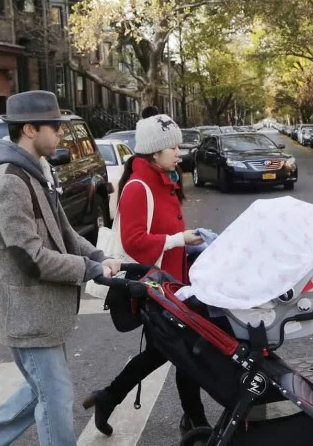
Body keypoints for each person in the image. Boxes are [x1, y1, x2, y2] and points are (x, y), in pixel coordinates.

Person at [0, 91, 122, 446]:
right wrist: (88, 269)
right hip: (25, 310)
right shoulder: (9, 183)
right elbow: (31, 259)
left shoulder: (35, 172)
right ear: (29, 129)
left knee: (41, 388)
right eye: (55, 125)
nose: (61, 132)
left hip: (40, 311)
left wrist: (97, 256)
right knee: (55, 396)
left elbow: (63, 231)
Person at [81, 113, 210, 437]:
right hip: (153, 287)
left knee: (164, 351)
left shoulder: (164, 179)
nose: (179, 152)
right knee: (183, 351)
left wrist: (189, 245)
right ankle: (195, 422)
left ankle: (108, 398)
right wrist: (180, 239)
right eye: (173, 147)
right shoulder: (139, 187)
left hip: (171, 285)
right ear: (154, 151)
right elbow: (134, 242)